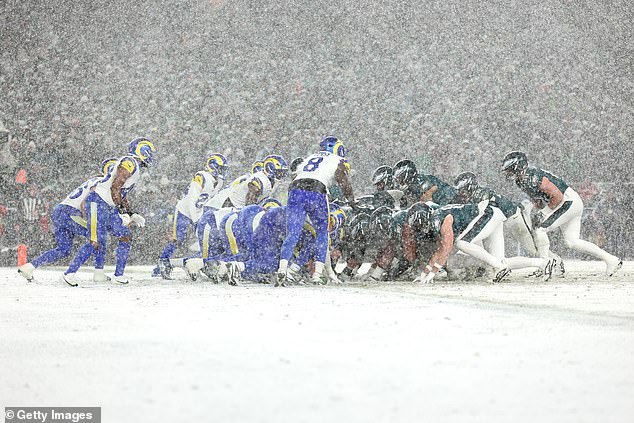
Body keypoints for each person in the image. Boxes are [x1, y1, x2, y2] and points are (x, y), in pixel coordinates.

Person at [501, 151, 622, 276]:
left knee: (540, 230)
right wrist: (538, 210)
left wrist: (543, 213)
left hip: (567, 201)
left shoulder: (532, 177)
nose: (508, 173)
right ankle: (611, 260)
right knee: (572, 241)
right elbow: (538, 199)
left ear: (518, 167)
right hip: (568, 202)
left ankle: (545, 265)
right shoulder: (522, 181)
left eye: (510, 169)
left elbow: (557, 196)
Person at [60, 137, 156, 286]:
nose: (151, 154)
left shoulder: (134, 165)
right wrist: (121, 211)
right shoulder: (129, 163)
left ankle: (119, 275)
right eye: (149, 151)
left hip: (107, 205)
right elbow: (115, 187)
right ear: (142, 150)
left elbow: (121, 193)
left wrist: (130, 213)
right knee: (95, 241)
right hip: (98, 202)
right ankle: (69, 273)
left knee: (125, 235)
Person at [18, 158, 118, 282]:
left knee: (64, 249)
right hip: (70, 213)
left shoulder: (94, 180)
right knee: (97, 236)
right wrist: (88, 220)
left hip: (60, 211)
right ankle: (81, 273)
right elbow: (86, 201)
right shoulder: (102, 182)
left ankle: (30, 267)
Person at [275, 136, 355, 286]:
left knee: (292, 233)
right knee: (322, 234)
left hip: (295, 189)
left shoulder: (311, 156)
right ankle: (317, 274)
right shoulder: (337, 160)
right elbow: (343, 180)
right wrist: (351, 200)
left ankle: (282, 269)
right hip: (316, 190)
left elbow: (296, 175)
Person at [453, 171, 561, 279]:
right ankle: (543, 263)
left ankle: (554, 263)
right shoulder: (479, 194)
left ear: (470, 187)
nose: (461, 194)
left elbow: (484, 218)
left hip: (513, 217)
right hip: (503, 219)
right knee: (501, 260)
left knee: (532, 248)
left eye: (462, 190)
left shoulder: (479, 196)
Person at [153, 154, 228, 279]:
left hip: (198, 213)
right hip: (185, 211)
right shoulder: (201, 176)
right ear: (212, 166)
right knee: (178, 239)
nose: (221, 172)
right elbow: (191, 200)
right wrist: (195, 219)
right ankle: (162, 263)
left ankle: (199, 265)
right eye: (220, 168)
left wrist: (219, 184)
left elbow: (210, 198)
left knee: (205, 242)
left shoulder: (215, 181)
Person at [408, 201, 511, 284]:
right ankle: (500, 267)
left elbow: (446, 249)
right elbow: (440, 250)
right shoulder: (436, 217)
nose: (420, 229)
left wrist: (433, 272)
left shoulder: (439, 219)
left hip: (487, 214)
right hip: (490, 214)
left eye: (419, 226)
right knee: (499, 260)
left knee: (461, 243)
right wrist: (425, 273)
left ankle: (499, 267)